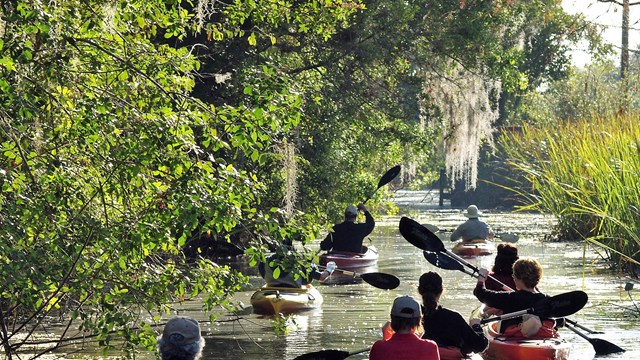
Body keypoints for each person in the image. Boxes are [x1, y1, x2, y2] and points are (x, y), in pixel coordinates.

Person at [473, 257, 557, 338]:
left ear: (518, 277)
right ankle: (533, 327)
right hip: (541, 339)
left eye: (513, 275)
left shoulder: (511, 298)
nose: (513, 277)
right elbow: (558, 321)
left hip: (513, 338)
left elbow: (481, 293)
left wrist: (481, 278)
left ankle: (527, 328)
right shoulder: (547, 300)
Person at [417, 272, 488, 357]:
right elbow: (480, 346)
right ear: (441, 290)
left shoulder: (411, 317)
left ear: (419, 290)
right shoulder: (453, 318)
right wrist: (476, 326)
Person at [370, 295, 440, 360]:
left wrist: (386, 339)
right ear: (419, 320)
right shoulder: (430, 347)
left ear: (392, 318)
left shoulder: (378, 347)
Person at [258, 252, 335, 288]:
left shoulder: (264, 261)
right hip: (293, 291)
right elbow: (322, 277)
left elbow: (264, 276)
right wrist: (330, 268)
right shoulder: (299, 260)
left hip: (272, 290)